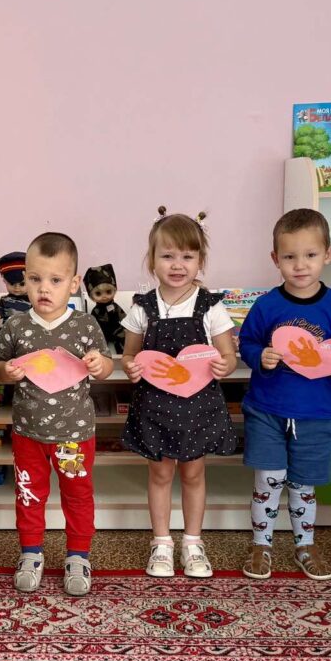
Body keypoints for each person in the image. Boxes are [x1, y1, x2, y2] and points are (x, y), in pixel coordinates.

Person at [238, 208, 331, 581]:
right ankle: (261, 545)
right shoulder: (267, 305)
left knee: (303, 484)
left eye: (310, 255)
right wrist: (259, 356)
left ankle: (304, 545)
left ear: (328, 254)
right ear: (275, 259)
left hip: (315, 413)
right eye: (290, 256)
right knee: (268, 480)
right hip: (266, 410)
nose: (300, 265)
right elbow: (246, 342)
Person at [0, 232, 114, 596]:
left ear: (74, 284)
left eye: (55, 280)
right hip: (27, 433)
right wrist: (6, 371)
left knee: (78, 495)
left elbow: (106, 366)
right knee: (29, 494)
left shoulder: (85, 325)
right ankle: (31, 552)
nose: (44, 289)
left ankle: (78, 555)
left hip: (74, 435)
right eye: (35, 279)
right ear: (25, 279)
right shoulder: (16, 325)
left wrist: (100, 364)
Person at [121, 208, 238, 578]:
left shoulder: (211, 305)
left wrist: (225, 365)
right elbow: (128, 354)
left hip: (198, 407)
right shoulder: (142, 306)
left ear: (200, 260)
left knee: (193, 474)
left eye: (187, 256)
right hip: (155, 406)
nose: (177, 265)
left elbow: (228, 355)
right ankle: (161, 542)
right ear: (152, 260)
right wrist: (130, 366)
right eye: (167, 255)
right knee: (159, 475)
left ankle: (192, 542)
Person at [84, 263, 126, 355]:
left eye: (108, 292)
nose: (104, 296)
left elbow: (124, 317)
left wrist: (127, 327)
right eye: (98, 294)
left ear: (114, 290)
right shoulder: (95, 311)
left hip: (116, 329)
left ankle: (123, 355)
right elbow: (93, 324)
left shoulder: (115, 306)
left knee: (125, 340)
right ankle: (103, 357)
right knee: (98, 344)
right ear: (91, 296)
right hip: (102, 331)